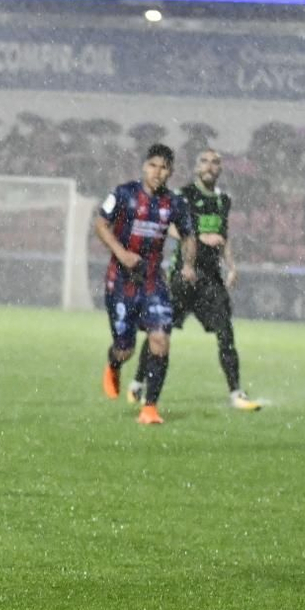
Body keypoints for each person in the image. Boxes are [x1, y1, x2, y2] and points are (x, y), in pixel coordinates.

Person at [129, 148, 259, 411]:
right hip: (183, 276)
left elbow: (223, 236)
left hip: (210, 279)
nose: (210, 166)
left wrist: (231, 266)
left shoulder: (223, 200)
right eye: (204, 162)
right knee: (160, 332)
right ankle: (137, 383)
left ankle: (236, 392)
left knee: (225, 333)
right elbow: (169, 226)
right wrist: (198, 238)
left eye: (215, 162)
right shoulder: (183, 195)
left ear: (220, 169)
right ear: (196, 168)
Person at [95, 143, 195, 424]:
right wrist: (122, 254)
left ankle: (150, 408)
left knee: (160, 339)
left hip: (153, 282)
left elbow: (188, 235)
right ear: (143, 166)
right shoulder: (124, 193)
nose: (157, 172)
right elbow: (101, 224)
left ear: (171, 172)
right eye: (153, 165)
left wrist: (188, 264)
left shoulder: (175, 203)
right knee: (125, 349)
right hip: (121, 281)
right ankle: (114, 363)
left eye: (164, 168)